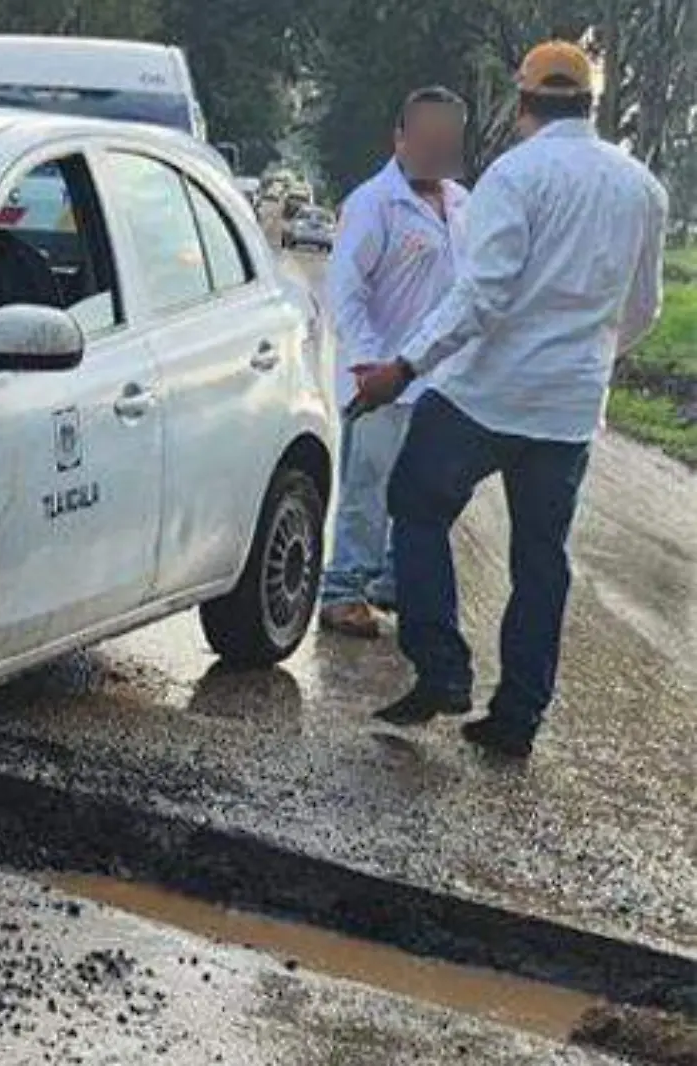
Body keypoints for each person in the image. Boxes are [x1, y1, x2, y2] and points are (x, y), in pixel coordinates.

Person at [350, 41, 668, 757]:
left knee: (417, 503)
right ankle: (517, 718)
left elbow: (481, 297)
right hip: (568, 411)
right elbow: (642, 309)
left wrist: (403, 368)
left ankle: (442, 666)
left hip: (484, 395)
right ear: (590, 104)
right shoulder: (643, 187)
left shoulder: (516, 175)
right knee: (541, 558)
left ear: (522, 105)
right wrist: (586, 360)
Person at [320, 87, 471, 638]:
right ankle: (343, 591)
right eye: (425, 136)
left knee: (426, 491)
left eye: (446, 139)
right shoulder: (374, 203)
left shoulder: (462, 204)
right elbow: (344, 290)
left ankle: (393, 581)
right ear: (400, 138)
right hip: (382, 379)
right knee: (368, 490)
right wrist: (367, 362)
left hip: (440, 382)